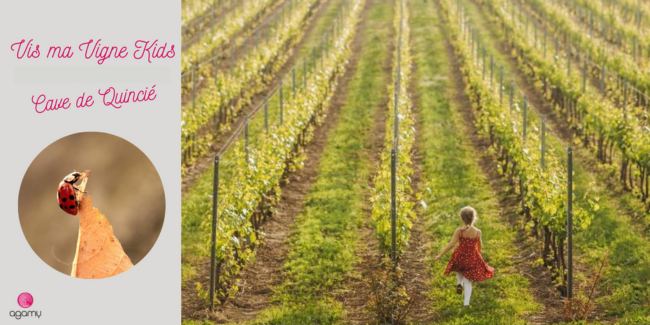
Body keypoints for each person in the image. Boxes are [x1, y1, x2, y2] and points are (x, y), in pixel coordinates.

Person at [434, 206, 494, 307]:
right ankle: (466, 304)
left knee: (459, 268)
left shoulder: (460, 231)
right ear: (474, 217)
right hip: (472, 257)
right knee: (468, 281)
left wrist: (440, 255)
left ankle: (459, 283)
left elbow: (452, 244)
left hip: (460, 255)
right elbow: (479, 246)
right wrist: (478, 256)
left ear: (462, 218)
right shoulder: (478, 232)